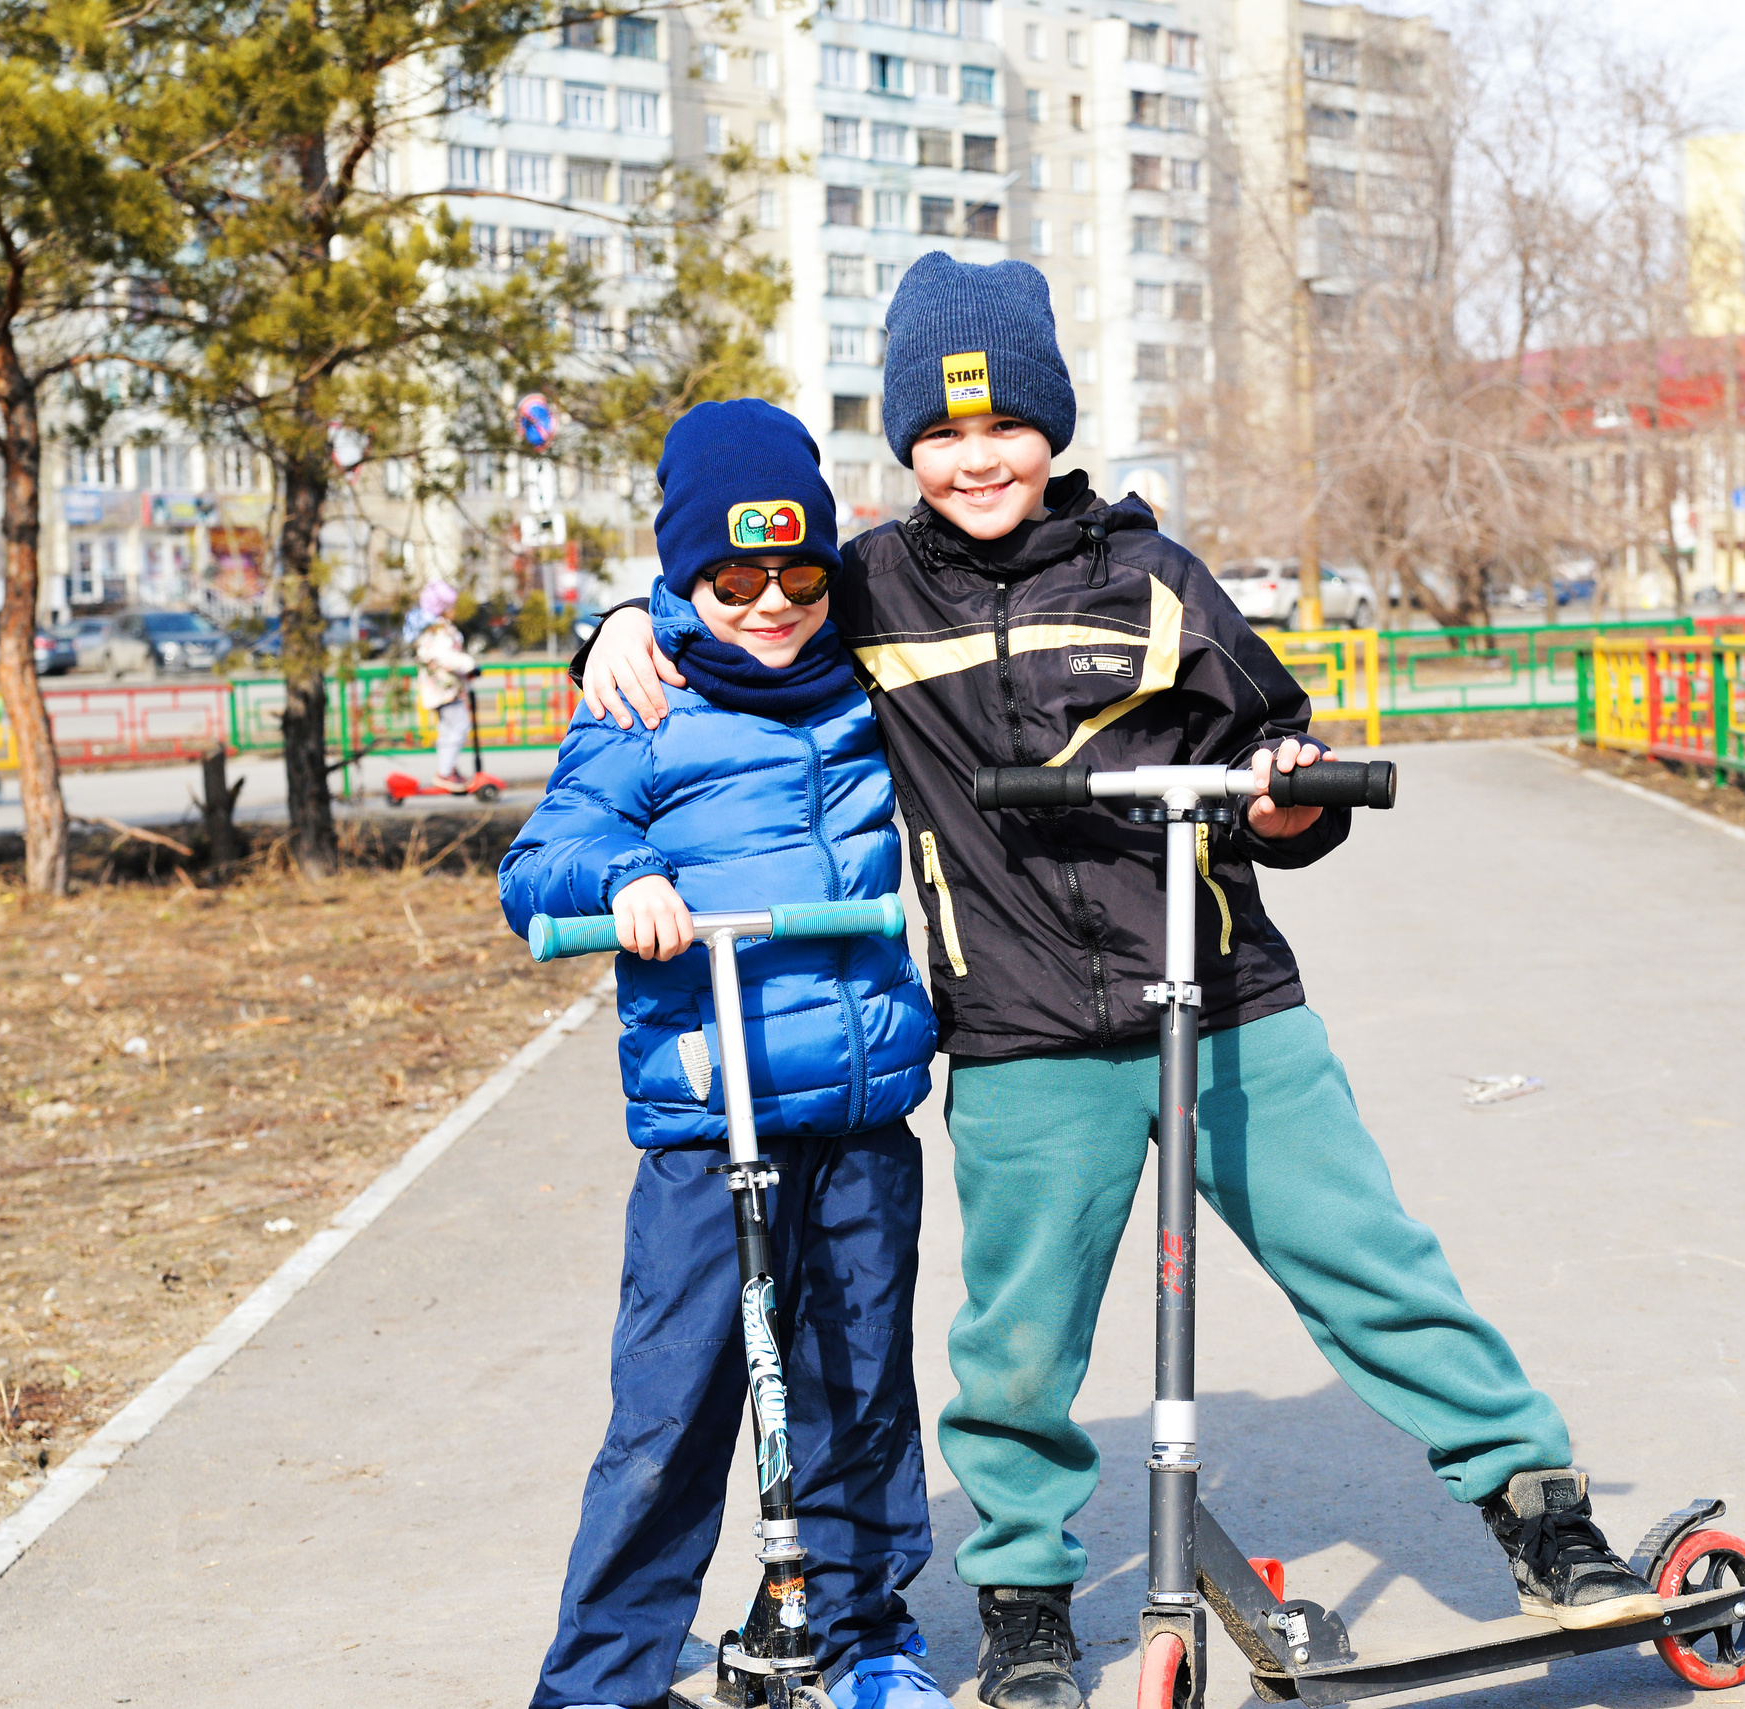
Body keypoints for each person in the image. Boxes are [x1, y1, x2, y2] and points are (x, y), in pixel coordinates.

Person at [576, 257, 1665, 1709]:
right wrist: (621, 623)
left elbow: (1282, 749)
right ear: (909, 447)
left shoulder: (1153, 581)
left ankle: (1540, 1508)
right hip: (1024, 1029)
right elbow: (741, 616)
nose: (978, 459)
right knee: (1016, 1339)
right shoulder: (875, 595)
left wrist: (1288, 799)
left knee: (1368, 1260)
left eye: (1006, 428)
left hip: (1222, 1000)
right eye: (946, 435)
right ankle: (1025, 1592)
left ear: (1053, 430)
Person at [500, 399, 950, 1709]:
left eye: (797, 573)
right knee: (673, 1411)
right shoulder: (645, 699)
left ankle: (862, 1636)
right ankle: (602, 1675)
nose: (768, 602)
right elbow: (541, 865)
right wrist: (625, 875)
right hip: (714, 1116)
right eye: (731, 577)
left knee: (859, 1390)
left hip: (857, 1107)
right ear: (687, 574)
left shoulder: (868, 673)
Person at [408, 581, 478, 784]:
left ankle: (447, 768)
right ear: (443, 608)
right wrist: (469, 664)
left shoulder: (431, 629)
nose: (455, 611)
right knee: (459, 726)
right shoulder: (440, 631)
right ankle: (445, 772)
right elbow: (446, 657)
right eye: (451, 606)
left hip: (441, 688)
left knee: (448, 730)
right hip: (445, 689)